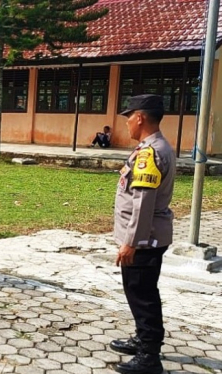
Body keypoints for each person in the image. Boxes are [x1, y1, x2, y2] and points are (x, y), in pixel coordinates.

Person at [111, 94, 174, 374]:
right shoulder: (154, 147)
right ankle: (142, 338)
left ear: (139, 117)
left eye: (128, 117)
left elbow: (143, 202)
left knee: (142, 294)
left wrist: (131, 243)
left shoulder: (150, 152)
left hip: (143, 240)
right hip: (147, 237)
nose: (126, 124)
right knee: (139, 291)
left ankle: (149, 357)